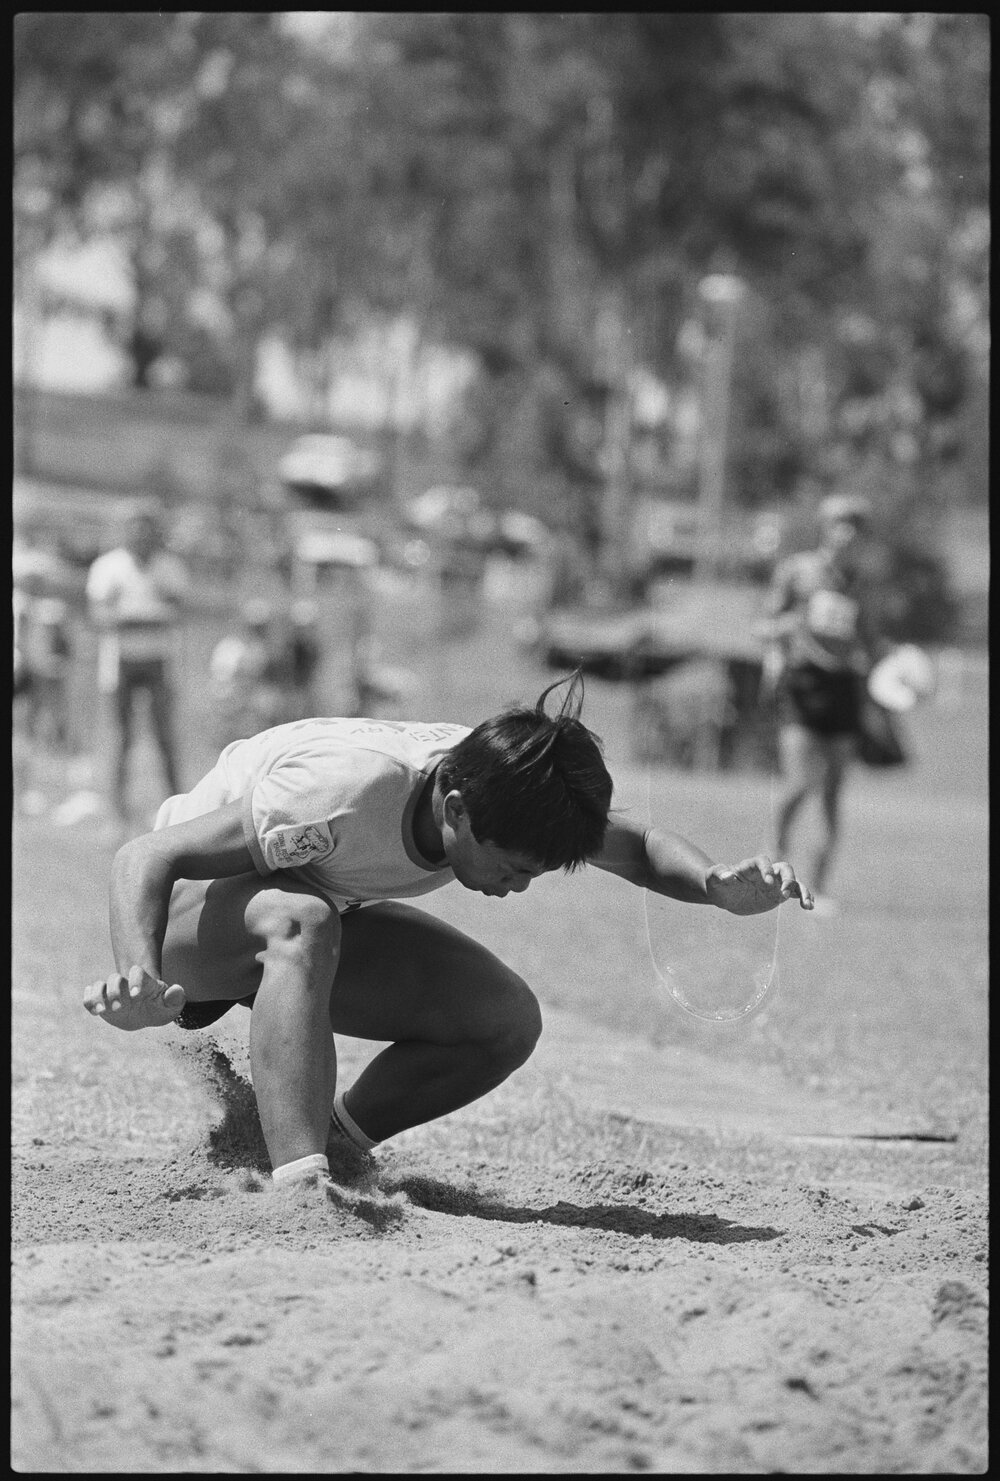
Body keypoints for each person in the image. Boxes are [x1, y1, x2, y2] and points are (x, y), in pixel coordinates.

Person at [83, 672, 814, 1192]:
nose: (516, 887)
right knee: (299, 919)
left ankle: (325, 1147)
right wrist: (140, 975)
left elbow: (640, 844)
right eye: (512, 868)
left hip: (315, 920)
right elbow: (148, 855)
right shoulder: (342, 791)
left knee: (503, 1020)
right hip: (193, 919)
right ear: (456, 809)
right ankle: (301, 1191)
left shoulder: (518, 790)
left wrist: (716, 885)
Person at [757, 493, 884, 914]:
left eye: (855, 527)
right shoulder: (797, 571)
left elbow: (869, 640)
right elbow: (764, 625)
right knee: (800, 782)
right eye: (839, 524)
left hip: (844, 688)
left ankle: (821, 888)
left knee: (833, 793)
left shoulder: (861, 585)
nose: (847, 533)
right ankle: (772, 864)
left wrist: (901, 667)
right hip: (803, 685)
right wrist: (790, 627)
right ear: (825, 528)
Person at [85, 499, 189, 824]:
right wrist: (144, 616)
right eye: (135, 530)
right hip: (120, 662)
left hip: (159, 661)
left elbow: (177, 612)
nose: (141, 536)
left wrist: (129, 616)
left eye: (147, 530)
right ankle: (117, 814)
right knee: (121, 739)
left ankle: (179, 809)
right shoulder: (108, 566)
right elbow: (100, 616)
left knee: (165, 738)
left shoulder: (170, 566)